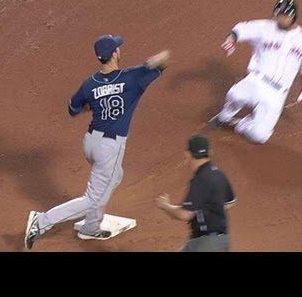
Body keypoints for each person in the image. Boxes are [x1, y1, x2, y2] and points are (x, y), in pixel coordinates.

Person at [24, 34, 170, 250]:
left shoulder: (89, 84)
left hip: (91, 143)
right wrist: (147, 65)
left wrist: (94, 103)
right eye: (117, 47)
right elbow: (164, 59)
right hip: (110, 148)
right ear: (115, 54)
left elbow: (72, 109)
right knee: (93, 198)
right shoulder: (133, 78)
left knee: (115, 176)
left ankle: (90, 227)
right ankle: (42, 221)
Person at [207, 0, 302, 144]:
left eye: (284, 15)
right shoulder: (265, 27)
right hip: (256, 81)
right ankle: (224, 116)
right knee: (235, 94)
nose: (280, 18)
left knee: (259, 136)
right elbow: (240, 29)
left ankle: (240, 124)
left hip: (277, 94)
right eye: (278, 15)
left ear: (293, 16)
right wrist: (232, 39)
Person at [155, 134, 236, 252]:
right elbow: (230, 202)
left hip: (206, 245)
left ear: (188, 154)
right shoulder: (219, 175)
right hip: (219, 241)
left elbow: (185, 214)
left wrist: (165, 206)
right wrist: (208, 208)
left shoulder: (201, 179)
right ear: (210, 152)